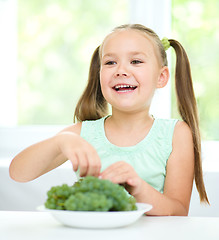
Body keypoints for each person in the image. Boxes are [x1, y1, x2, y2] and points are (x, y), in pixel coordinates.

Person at [9, 24, 209, 216]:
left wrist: (138, 188)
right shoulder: (82, 134)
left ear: (161, 77)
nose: (121, 70)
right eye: (110, 62)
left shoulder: (175, 134)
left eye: (136, 61)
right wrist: (60, 141)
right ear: (100, 75)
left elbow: (178, 211)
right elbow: (18, 173)